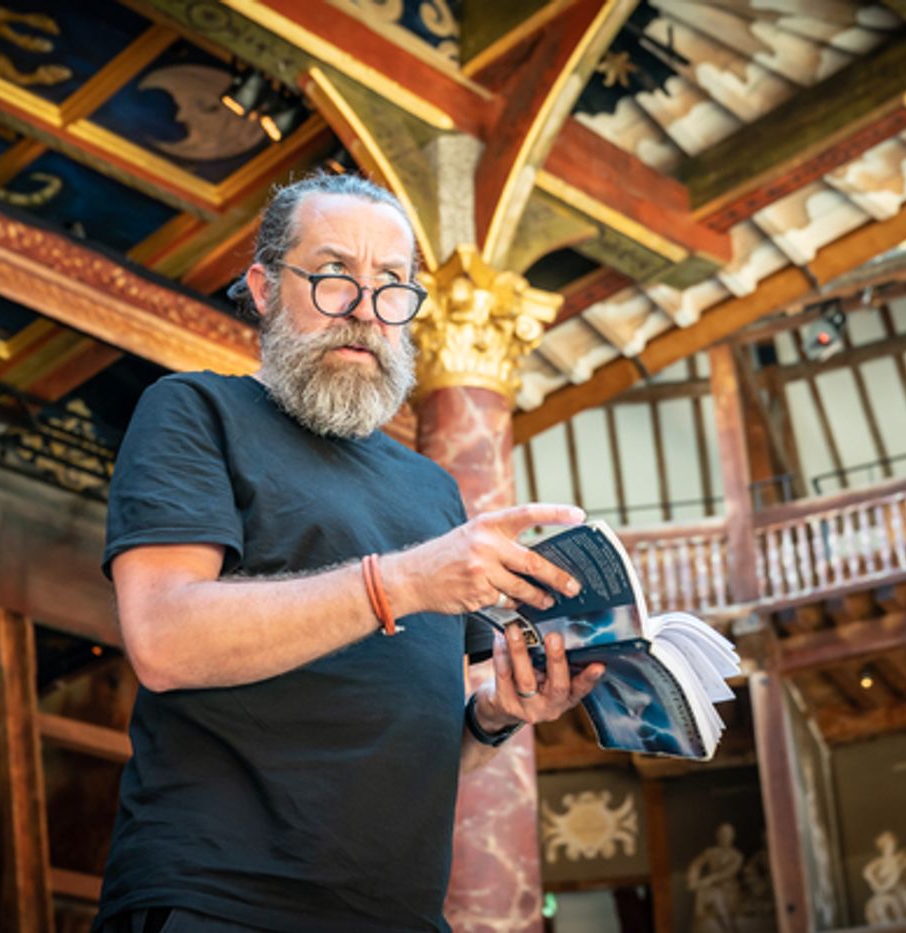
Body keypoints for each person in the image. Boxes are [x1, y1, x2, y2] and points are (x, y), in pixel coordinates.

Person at [93, 173, 605, 933]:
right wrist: (400, 582)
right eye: (335, 277)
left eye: (393, 286)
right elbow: (164, 640)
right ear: (265, 288)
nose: (366, 311)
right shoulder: (196, 411)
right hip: (219, 901)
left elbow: (427, 740)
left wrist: (495, 715)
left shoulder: (434, 491)